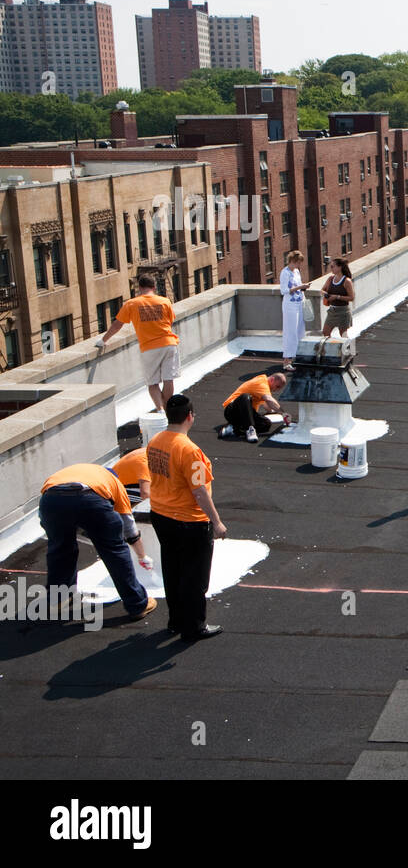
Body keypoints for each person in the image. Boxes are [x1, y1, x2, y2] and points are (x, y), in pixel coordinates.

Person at [146, 394, 226, 641]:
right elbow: (199, 490)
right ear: (190, 416)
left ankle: (176, 620)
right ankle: (193, 627)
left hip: (161, 514)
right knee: (195, 576)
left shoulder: (155, 441)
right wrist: (217, 522)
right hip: (189, 521)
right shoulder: (190, 451)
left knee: (173, 569)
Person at [39, 463, 156, 621]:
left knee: (60, 550)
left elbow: (45, 514)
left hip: (51, 501)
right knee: (114, 551)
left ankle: (58, 600)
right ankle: (137, 604)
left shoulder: (78, 471)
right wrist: (142, 555)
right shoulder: (114, 483)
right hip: (90, 500)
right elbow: (128, 526)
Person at [95, 274, 179, 413]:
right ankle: (168, 409)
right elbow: (170, 321)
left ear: (140, 288)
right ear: (154, 287)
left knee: (152, 383)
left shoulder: (132, 304)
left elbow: (117, 325)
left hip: (149, 347)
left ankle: (160, 410)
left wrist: (103, 340)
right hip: (169, 343)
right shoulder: (165, 301)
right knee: (168, 379)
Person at [220, 372, 293, 442]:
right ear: (272, 379)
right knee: (245, 397)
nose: (277, 390)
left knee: (266, 424)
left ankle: (235, 429)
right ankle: (249, 429)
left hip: (245, 415)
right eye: (277, 386)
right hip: (232, 411)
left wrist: (274, 412)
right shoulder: (261, 383)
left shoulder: (264, 389)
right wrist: (283, 413)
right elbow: (269, 400)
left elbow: (268, 406)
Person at [280, 250, 310, 372]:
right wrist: (300, 287)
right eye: (298, 262)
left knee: (299, 330)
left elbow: (298, 285)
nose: (299, 265)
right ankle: (286, 361)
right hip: (290, 305)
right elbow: (284, 290)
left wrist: (303, 287)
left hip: (299, 302)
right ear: (293, 261)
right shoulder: (285, 273)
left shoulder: (296, 271)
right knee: (290, 331)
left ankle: (295, 357)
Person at [321, 258, 355, 338]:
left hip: (343, 311)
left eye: (333, 266)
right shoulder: (330, 279)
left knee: (343, 333)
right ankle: (331, 348)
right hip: (332, 310)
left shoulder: (347, 281)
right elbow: (322, 290)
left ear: (340, 267)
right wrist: (325, 294)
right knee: (325, 332)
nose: (331, 268)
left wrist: (337, 297)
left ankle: (348, 349)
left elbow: (351, 297)